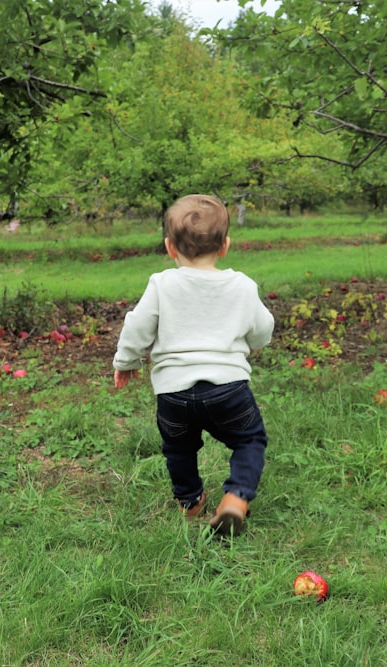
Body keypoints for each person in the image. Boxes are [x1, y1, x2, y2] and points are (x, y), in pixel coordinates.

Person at [112, 194, 275, 536]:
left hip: (173, 394)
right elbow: (263, 329)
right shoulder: (242, 286)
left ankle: (191, 502)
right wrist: (253, 342)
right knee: (249, 441)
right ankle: (235, 499)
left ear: (170, 247)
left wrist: (126, 361)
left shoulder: (162, 284)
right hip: (228, 390)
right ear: (225, 245)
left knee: (179, 448)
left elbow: (137, 326)